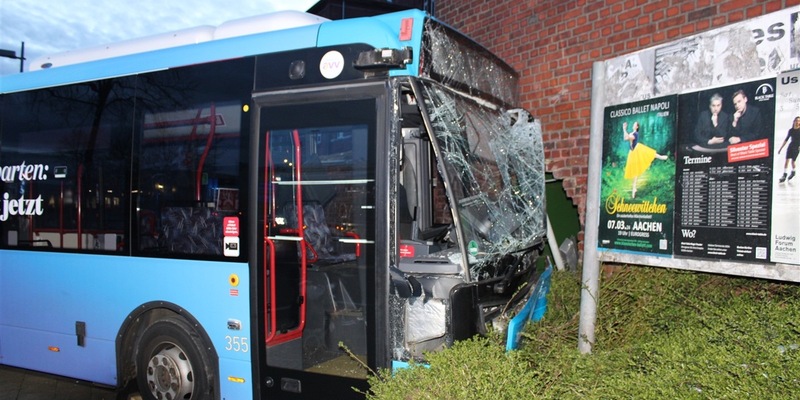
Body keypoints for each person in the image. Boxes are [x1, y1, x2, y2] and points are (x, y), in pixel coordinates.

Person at [623, 121, 668, 198]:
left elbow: (628, 138)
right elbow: (625, 138)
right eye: (633, 124)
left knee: (650, 153)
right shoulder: (631, 133)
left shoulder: (635, 134)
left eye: (635, 124)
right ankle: (634, 188)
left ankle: (661, 157)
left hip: (637, 149)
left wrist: (624, 129)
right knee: (635, 171)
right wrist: (624, 129)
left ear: (637, 127)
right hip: (632, 152)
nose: (633, 125)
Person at [778, 116, 800, 183]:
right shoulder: (791, 130)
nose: (797, 122)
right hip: (791, 146)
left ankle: (793, 172)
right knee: (786, 161)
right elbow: (786, 139)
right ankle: (784, 175)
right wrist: (780, 148)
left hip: (797, 147)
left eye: (798, 121)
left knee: (793, 161)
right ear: (794, 121)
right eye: (796, 120)